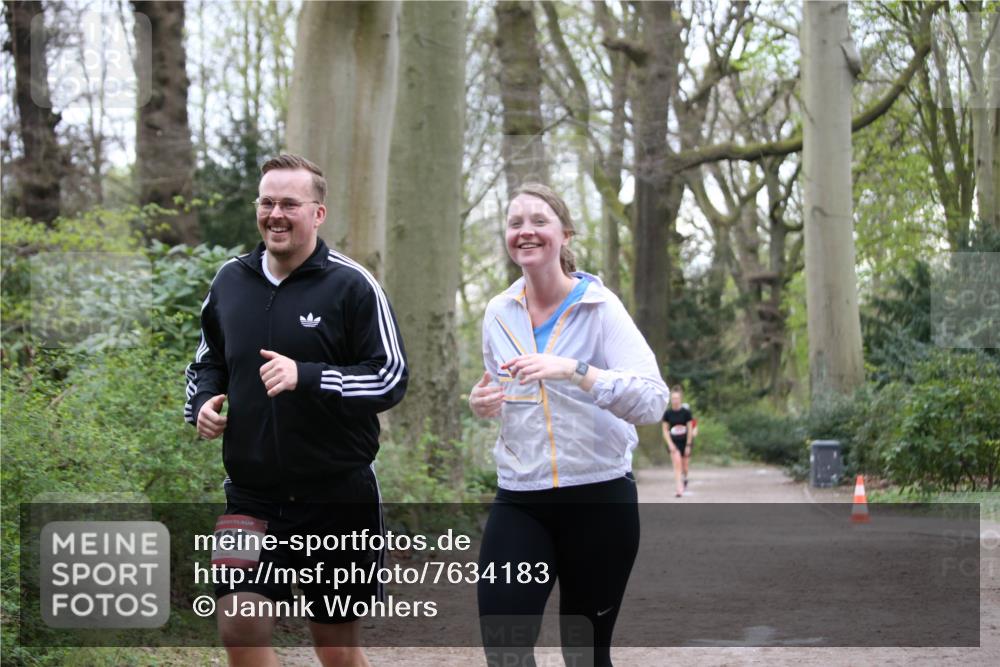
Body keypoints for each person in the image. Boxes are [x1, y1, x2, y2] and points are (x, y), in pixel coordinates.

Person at [184, 154, 408, 667]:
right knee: (239, 628)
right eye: (267, 203)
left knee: (336, 648)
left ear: (318, 213)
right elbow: (207, 361)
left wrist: (307, 376)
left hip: (337, 497)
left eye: (289, 203)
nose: (276, 214)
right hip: (251, 496)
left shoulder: (353, 285)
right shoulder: (230, 281)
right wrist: (202, 404)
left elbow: (390, 377)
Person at [468, 183, 669, 667]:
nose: (526, 231)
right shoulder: (498, 312)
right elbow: (503, 392)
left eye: (539, 221)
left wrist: (576, 370)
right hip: (521, 498)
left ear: (565, 234)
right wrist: (483, 402)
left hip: (598, 499)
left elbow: (652, 401)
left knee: (585, 656)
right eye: (515, 223)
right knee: (505, 648)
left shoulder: (600, 308)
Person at [662, 389, 694, 497]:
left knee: (685, 467)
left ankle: (685, 478)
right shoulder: (667, 413)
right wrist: (670, 444)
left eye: (677, 398)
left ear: (680, 399)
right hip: (674, 442)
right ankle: (679, 489)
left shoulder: (686, 413)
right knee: (677, 464)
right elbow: (665, 430)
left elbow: (690, 429)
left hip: (685, 442)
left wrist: (688, 445)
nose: (675, 400)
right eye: (673, 398)